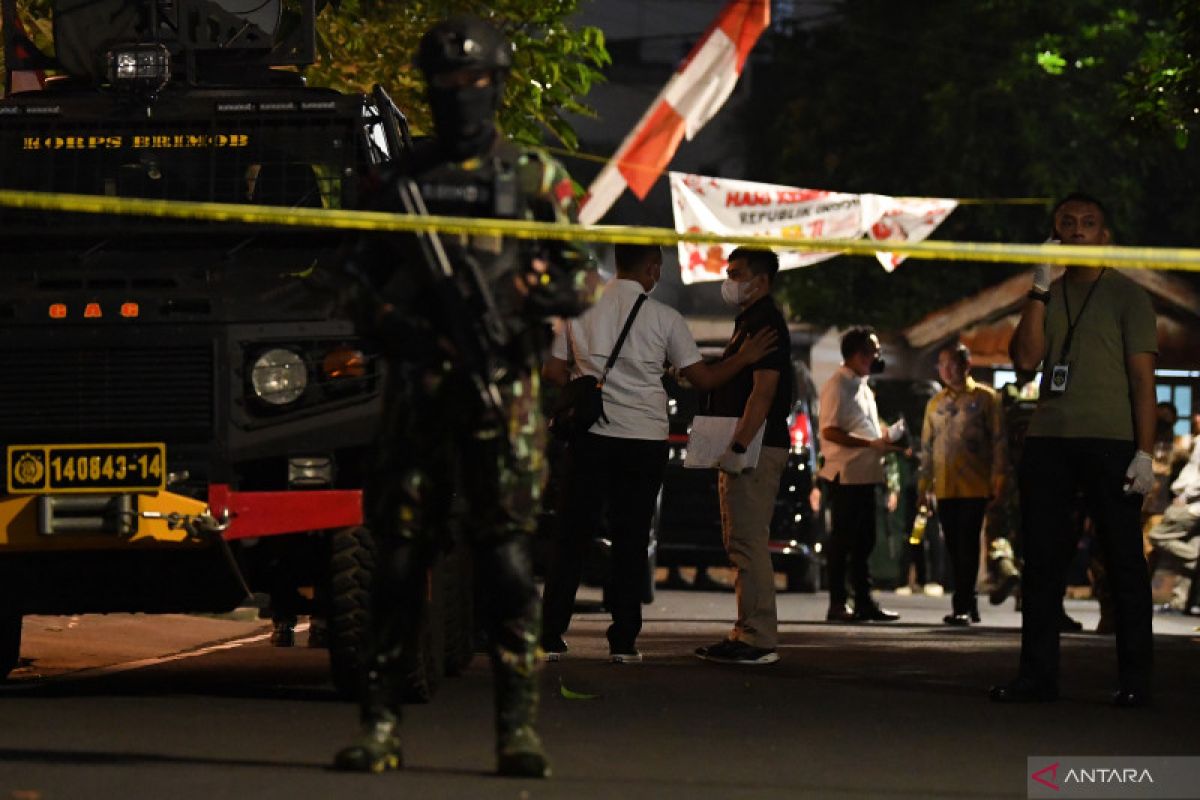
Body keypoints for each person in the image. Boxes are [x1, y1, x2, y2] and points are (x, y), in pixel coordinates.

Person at [332, 16, 594, 777]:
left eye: (475, 82)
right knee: (396, 560)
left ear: (498, 85)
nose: (461, 97)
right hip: (418, 389)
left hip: (505, 394)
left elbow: (582, 277)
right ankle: (379, 725)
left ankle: (517, 728)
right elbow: (350, 277)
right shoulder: (400, 181)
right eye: (447, 84)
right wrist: (403, 327)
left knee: (508, 562)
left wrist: (525, 294)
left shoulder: (536, 179)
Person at [540, 243, 776, 663]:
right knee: (631, 539)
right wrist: (744, 358)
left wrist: (585, 386)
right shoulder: (665, 318)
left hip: (590, 438)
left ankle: (551, 634)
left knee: (571, 534)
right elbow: (703, 379)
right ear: (651, 269)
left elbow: (553, 370)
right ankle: (624, 640)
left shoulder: (578, 313)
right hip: (644, 441)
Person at [990, 192, 1157, 708]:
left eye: (1088, 223)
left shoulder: (1129, 296)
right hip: (1049, 440)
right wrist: (1037, 287)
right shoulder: (1048, 292)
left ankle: (1136, 681)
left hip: (1110, 442)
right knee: (1041, 562)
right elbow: (1025, 360)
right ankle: (1037, 677)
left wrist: (1146, 453)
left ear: (1105, 236)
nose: (1078, 230)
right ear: (1054, 234)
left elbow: (1143, 381)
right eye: (1067, 223)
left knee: (1125, 562)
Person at [693, 248, 792, 665]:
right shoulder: (750, 320)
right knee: (741, 541)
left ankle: (757, 637)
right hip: (749, 443)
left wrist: (738, 445)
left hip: (755, 445)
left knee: (748, 540)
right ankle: (746, 630)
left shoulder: (764, 321)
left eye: (736, 274)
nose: (729, 280)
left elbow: (763, 390)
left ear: (762, 281)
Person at [818, 327, 903, 623]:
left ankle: (864, 601)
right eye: (869, 351)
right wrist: (870, 443)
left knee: (865, 540)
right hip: (847, 474)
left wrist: (885, 437)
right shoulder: (838, 384)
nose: (874, 357)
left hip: (867, 474)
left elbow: (863, 426)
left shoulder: (862, 385)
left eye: (875, 351)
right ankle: (838, 603)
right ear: (854, 354)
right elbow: (829, 429)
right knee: (843, 541)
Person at [917, 343, 1006, 626]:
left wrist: (999, 477)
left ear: (966, 365)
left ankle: (962, 606)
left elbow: (999, 441)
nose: (946, 370)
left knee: (968, 544)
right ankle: (970, 601)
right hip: (945, 486)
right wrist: (924, 485)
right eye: (942, 364)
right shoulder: (935, 402)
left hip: (975, 484)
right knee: (954, 547)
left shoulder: (986, 398)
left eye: (952, 363)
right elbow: (927, 449)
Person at [1146, 431, 1200, 614]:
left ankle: (1195, 556)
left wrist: (1186, 495)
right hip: (1194, 504)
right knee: (1190, 546)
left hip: (1191, 505)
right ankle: (1180, 601)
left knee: (1156, 535)